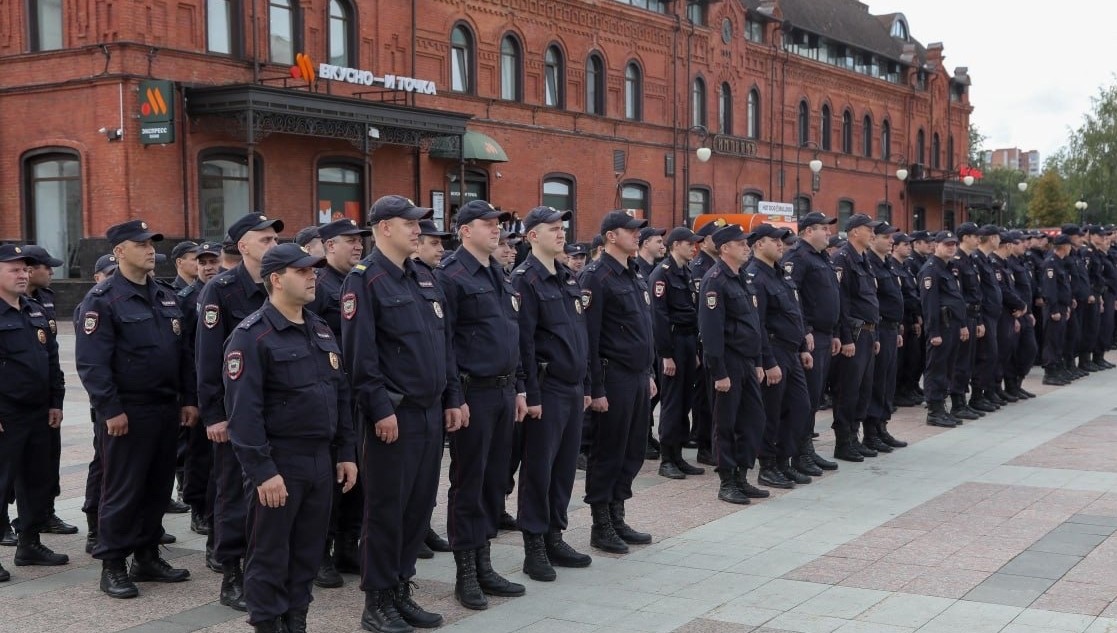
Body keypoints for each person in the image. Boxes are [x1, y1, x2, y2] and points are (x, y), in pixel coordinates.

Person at [341, 195, 464, 633]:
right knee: (386, 511)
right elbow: (360, 358)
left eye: (419, 223)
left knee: (417, 507)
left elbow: (442, 345)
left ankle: (400, 587)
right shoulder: (364, 280)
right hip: (393, 417)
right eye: (409, 223)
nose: (418, 230)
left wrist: (453, 397)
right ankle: (377, 600)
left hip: (430, 413)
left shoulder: (424, 278)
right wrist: (378, 410)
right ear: (382, 228)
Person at [224, 243, 358, 633]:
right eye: (302, 271)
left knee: (307, 553)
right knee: (269, 555)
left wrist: (346, 451)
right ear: (277, 279)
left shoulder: (319, 328)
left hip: (320, 461)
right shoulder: (252, 336)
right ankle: (267, 624)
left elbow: (340, 394)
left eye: (313, 269)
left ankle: (295, 621)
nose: (312, 275)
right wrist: (264, 471)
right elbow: (243, 414)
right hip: (279, 462)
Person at [75, 221, 196, 598]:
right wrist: (110, 409)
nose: (150, 250)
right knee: (123, 488)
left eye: (152, 244)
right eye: (140, 244)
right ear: (119, 252)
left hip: (165, 407)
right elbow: (93, 363)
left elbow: (183, 354)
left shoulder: (164, 296)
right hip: (128, 411)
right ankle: (113, 563)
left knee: (157, 487)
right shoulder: (103, 298)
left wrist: (189, 398)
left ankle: (146, 555)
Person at [434, 200, 527, 610]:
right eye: (488, 224)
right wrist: (455, 397)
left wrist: (521, 387)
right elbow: (445, 344)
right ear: (464, 230)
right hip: (473, 394)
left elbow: (512, 337)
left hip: (504, 392)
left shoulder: (498, 273)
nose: (496, 230)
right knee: (468, 483)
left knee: (493, 482)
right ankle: (466, 571)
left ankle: (484, 561)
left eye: (499, 224)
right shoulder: (450, 276)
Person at [197, 212, 284, 611]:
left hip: (277, 411)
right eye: (263, 239)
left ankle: (262, 567)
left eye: (274, 239)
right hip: (236, 412)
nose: (271, 245)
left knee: (268, 494)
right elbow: (209, 356)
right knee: (233, 492)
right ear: (242, 246)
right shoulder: (222, 290)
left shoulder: (279, 283)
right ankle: (231, 572)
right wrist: (214, 413)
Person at [511, 206, 593, 582]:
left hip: (573, 388)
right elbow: (523, 342)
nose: (561, 234)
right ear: (532, 236)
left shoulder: (566, 278)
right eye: (552, 229)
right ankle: (534, 545)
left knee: (563, 468)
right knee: (539, 469)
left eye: (562, 228)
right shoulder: (525, 280)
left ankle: (554, 534)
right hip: (546, 387)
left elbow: (580, 336)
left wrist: (588, 386)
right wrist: (530, 392)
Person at [581, 210, 656, 553]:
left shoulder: (634, 272)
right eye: (631, 231)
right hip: (613, 376)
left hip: (638, 376)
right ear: (611, 236)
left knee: (633, 449)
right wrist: (595, 388)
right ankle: (601, 523)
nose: (636, 235)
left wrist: (650, 373)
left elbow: (643, 328)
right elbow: (590, 338)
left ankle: (618, 512)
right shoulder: (596, 276)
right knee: (609, 450)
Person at [304, 218, 372, 588]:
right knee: (331, 479)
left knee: (356, 478)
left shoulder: (356, 281)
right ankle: (321, 554)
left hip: (356, 393)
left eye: (360, 240)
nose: (358, 246)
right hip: (329, 392)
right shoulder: (319, 285)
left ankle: (348, 545)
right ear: (330, 246)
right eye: (349, 240)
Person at [0, 244, 67, 583]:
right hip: (6, 413)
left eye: (25, 268)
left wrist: (56, 400)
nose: (23, 274)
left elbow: (51, 358)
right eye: (14, 269)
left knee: (37, 481)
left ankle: (29, 542)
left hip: (39, 411)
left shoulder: (34, 309)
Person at [697, 224, 769, 504]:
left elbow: (754, 323)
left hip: (747, 361)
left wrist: (760, 360)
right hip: (727, 360)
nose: (746, 247)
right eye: (741, 244)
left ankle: (742, 475)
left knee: (752, 420)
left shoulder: (742, 278)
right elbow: (711, 330)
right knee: (725, 422)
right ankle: (727, 480)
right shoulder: (715, 280)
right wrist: (719, 372)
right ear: (725, 248)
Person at [747, 224, 815, 487]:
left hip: (791, 351)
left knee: (799, 407)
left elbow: (793, 314)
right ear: (758, 244)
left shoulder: (781, 274)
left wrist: (801, 347)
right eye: (774, 240)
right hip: (774, 352)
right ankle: (768, 465)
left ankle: (784, 461)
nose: (780, 244)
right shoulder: (755, 276)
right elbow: (759, 325)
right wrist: (768, 362)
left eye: (781, 241)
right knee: (772, 412)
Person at [780, 212, 840, 472]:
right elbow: (793, 299)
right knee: (804, 398)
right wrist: (805, 331)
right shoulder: (798, 257)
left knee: (814, 397)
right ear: (807, 231)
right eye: (823, 229)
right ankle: (799, 453)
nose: (828, 233)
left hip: (826, 335)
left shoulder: (821, 257)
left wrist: (836, 332)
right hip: (811, 336)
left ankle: (807, 448)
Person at [176, 242, 221, 569]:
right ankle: (197, 509)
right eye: (201, 262)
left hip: (222, 390)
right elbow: (186, 353)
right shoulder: (187, 299)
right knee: (198, 456)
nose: (208, 267)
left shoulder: (223, 294)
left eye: (212, 261)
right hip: (197, 389)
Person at [649, 227, 706, 480]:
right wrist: (666, 355)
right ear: (674, 246)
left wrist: (693, 350)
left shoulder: (686, 272)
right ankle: (667, 458)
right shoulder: (662, 274)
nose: (693, 248)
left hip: (687, 340)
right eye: (688, 243)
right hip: (671, 342)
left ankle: (679, 455)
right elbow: (659, 317)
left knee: (685, 400)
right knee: (671, 403)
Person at [829, 214, 881, 461]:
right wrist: (847, 337)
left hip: (869, 332)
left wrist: (876, 333)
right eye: (868, 229)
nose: (873, 234)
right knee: (847, 390)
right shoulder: (843, 258)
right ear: (853, 232)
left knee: (863, 389)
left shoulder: (863, 259)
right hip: (855, 334)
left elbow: (870, 299)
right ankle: (843, 441)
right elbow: (842, 303)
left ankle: (854, 436)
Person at [78, 254, 120, 554]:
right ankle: (96, 528)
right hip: (110, 404)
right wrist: (109, 406)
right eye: (109, 272)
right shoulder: (94, 304)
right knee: (105, 466)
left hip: (150, 405)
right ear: (98, 277)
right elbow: (92, 363)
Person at [864, 223, 907, 451]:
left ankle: (882, 425)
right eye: (885, 237)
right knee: (878, 382)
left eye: (892, 237)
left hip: (891, 329)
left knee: (888, 381)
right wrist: (879, 334)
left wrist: (898, 329)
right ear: (873, 240)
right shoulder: (870, 263)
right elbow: (874, 304)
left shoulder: (887, 263)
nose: (891, 241)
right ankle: (871, 432)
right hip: (879, 329)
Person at [919, 231, 968, 427]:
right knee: (936, 369)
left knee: (947, 368)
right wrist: (933, 333)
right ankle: (934, 410)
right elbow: (929, 304)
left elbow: (957, 299)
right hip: (941, 327)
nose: (951, 247)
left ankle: (942, 407)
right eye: (947, 244)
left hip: (953, 325)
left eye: (954, 244)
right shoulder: (931, 269)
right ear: (936, 245)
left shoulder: (949, 268)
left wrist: (963, 324)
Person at [688, 219, 726, 466]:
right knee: (704, 398)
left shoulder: (719, 266)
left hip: (714, 341)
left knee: (711, 398)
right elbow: (698, 311)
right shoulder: (701, 268)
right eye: (716, 236)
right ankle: (704, 445)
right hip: (702, 341)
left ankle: (710, 443)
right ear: (704, 241)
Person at [947, 223, 985, 420]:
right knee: (960, 362)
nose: (979, 239)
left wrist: (978, 320)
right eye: (975, 236)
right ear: (965, 238)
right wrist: (963, 323)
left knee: (968, 362)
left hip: (972, 316)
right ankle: (957, 402)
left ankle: (963, 400)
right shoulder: (957, 262)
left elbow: (975, 293)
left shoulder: (971, 261)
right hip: (962, 318)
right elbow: (958, 296)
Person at [1005, 231, 1039, 398]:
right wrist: (1016, 313)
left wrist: (1029, 311)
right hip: (1015, 312)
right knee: (1016, 350)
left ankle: (1017, 383)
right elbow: (1010, 291)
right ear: (1011, 245)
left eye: (1026, 241)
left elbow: (1027, 289)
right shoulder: (1007, 264)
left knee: (1029, 349)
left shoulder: (1021, 262)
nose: (1025, 244)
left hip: (1025, 311)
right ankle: (1011, 385)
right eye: (1021, 242)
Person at [892, 233, 924, 410]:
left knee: (911, 358)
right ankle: (897, 392)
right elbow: (900, 297)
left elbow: (913, 294)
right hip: (900, 318)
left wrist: (916, 317)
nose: (909, 247)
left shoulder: (906, 268)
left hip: (910, 317)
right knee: (900, 359)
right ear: (895, 247)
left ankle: (906, 388)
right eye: (905, 244)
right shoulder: (893, 267)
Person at [1041, 235, 1075, 385]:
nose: (1070, 248)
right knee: (1052, 340)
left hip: (1062, 306)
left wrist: (1067, 305)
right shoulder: (1051, 263)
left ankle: (1057, 369)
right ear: (1063, 246)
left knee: (1059, 339)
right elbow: (1050, 289)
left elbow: (1064, 287)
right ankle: (1049, 373)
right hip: (1053, 308)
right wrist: (1054, 309)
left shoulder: (1061, 263)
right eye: (1069, 245)